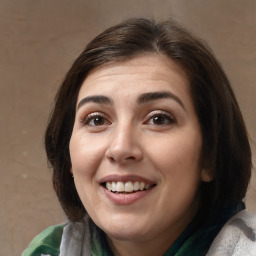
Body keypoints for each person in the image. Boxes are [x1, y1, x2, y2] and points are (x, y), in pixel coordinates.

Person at [22, 18, 256, 256]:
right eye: (97, 120)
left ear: (210, 154)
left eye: (158, 119)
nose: (121, 148)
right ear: (67, 154)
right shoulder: (47, 250)